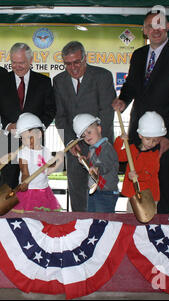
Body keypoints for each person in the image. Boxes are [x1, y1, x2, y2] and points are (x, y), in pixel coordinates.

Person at [112, 11, 169, 214]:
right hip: (140, 138)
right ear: (144, 31)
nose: (155, 30)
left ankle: (168, 239)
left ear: (167, 26)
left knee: (167, 193)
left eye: (159, 25)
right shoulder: (139, 55)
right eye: (150, 26)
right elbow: (131, 85)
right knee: (138, 190)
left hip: (168, 140)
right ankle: (138, 241)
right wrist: (123, 99)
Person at [54, 40, 116, 212]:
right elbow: (60, 117)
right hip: (75, 149)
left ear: (85, 58)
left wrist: (95, 144)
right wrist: (70, 143)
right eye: (67, 64)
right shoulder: (58, 81)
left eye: (76, 62)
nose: (73, 67)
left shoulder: (103, 76)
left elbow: (106, 113)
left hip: (100, 147)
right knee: (77, 196)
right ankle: (79, 232)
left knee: (102, 195)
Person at [0, 42, 56, 189]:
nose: (17, 66)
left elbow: (50, 110)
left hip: (34, 144)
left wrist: (35, 131)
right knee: (7, 185)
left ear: (31, 60)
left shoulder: (44, 82)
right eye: (14, 62)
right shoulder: (1, 81)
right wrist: (7, 125)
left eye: (22, 62)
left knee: (33, 184)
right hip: (8, 142)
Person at [114, 111, 167, 212]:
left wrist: (137, 176)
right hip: (133, 195)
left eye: (155, 140)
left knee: (148, 222)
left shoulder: (154, 155)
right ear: (140, 135)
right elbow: (118, 156)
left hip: (149, 197)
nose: (151, 143)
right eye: (148, 139)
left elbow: (149, 172)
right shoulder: (132, 150)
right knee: (131, 219)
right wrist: (120, 140)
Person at [12, 113, 62, 213]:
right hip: (29, 191)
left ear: (39, 134)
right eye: (23, 138)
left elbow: (49, 168)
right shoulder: (23, 153)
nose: (26, 142)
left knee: (43, 218)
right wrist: (24, 182)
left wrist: (58, 159)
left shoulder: (46, 151)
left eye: (29, 137)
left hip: (44, 190)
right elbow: (25, 172)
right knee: (30, 218)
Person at [72, 114, 119, 213]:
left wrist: (97, 168)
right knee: (93, 219)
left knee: (103, 220)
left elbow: (106, 165)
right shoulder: (92, 149)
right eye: (83, 136)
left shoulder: (106, 147)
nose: (87, 137)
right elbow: (92, 169)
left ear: (99, 129)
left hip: (107, 192)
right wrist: (85, 162)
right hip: (95, 190)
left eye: (89, 132)